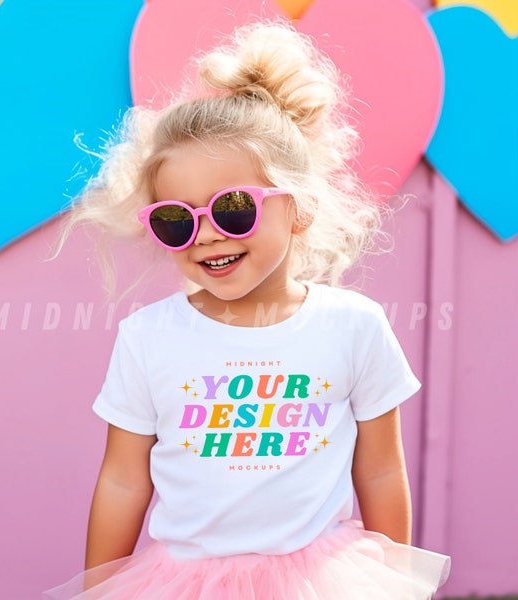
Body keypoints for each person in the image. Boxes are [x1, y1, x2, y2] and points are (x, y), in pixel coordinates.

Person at [46, 19, 450, 599]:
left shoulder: (353, 327)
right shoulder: (147, 337)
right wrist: (98, 588)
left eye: (234, 208)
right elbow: (123, 479)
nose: (206, 235)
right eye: (177, 220)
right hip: (184, 581)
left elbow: (381, 467)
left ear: (300, 208)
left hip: (320, 578)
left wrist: (394, 583)